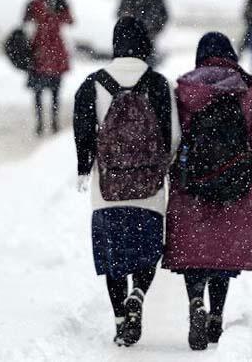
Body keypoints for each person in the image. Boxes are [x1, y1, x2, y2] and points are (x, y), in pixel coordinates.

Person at [163, 32, 252, 350]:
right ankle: (216, 314)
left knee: (195, 254)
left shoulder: (185, 90)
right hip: (236, 185)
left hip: (191, 187)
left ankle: (195, 303)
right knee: (222, 253)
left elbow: (171, 141)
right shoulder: (248, 90)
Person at [73, 17, 180, 347]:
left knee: (114, 257)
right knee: (147, 252)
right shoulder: (159, 84)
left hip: (107, 188)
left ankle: (121, 320)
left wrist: (83, 167)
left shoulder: (93, 84)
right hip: (148, 189)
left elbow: (82, 133)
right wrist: (164, 166)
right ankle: (138, 294)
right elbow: (173, 136)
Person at [24, 0, 73, 136]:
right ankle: (53, 121)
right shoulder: (59, 2)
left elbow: (26, 21)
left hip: (39, 50)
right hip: (54, 50)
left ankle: (40, 122)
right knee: (55, 90)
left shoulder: (38, 1)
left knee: (39, 91)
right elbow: (70, 21)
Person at [117, 0, 169, 66]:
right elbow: (120, 12)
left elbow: (164, 15)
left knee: (149, 63)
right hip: (131, 36)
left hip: (150, 35)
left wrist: (155, 29)